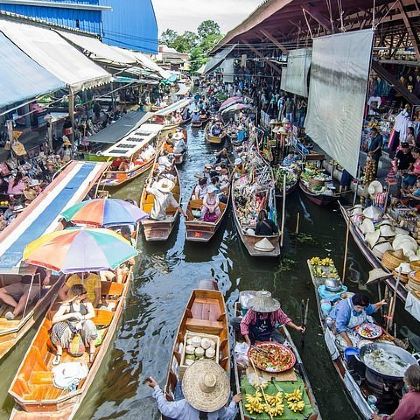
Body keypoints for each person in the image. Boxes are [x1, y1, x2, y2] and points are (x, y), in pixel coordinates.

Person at [147, 359, 241, 420]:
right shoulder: (218, 410)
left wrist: (156, 388)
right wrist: (233, 402)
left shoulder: (184, 405)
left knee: (180, 383)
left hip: (182, 411)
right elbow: (228, 415)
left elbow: (164, 409)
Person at [51, 284, 97, 365]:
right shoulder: (67, 305)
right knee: (56, 327)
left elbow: (92, 314)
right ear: (78, 296)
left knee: (90, 324)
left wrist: (82, 318)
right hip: (70, 328)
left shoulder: (86, 302)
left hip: (82, 326)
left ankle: (92, 351)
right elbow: (54, 319)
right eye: (84, 292)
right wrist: (71, 315)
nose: (86, 294)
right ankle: (59, 352)